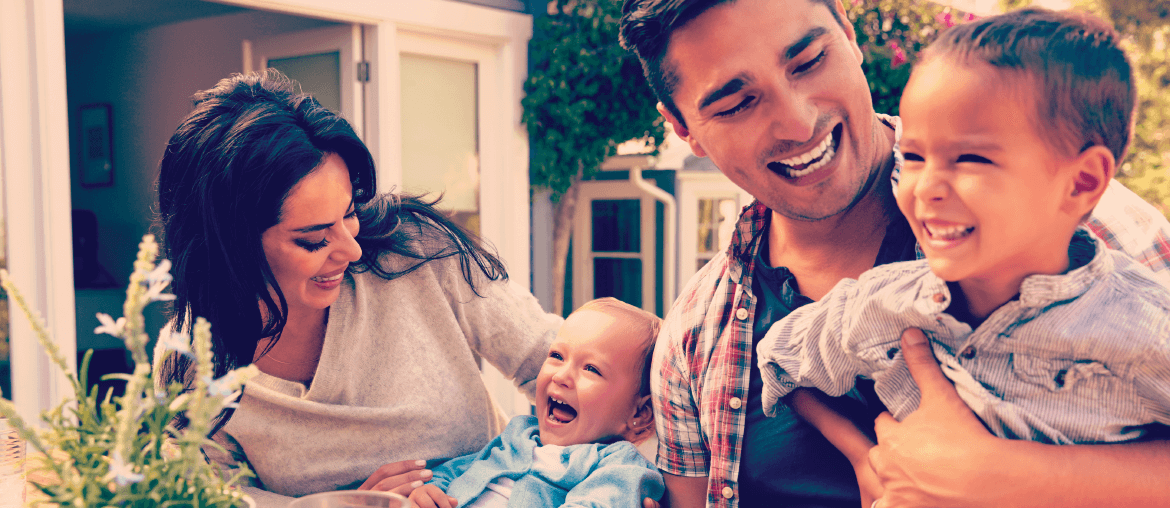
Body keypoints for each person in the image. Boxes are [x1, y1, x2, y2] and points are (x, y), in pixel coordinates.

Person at [617, 0, 1170, 507]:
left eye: (809, 61)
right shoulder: (692, 334)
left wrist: (1003, 475)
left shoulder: (1084, 222)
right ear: (682, 127)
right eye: (738, 104)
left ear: (848, 32)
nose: (799, 122)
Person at [757, 7, 1170, 447]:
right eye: (913, 157)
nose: (926, 188)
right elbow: (779, 361)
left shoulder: (1147, 330)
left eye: (971, 159)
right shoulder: (878, 305)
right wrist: (864, 456)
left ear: (1080, 184)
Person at [154, 70, 561, 508]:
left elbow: (560, 365)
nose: (349, 249)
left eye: (349, 213)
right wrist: (348, 504)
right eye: (313, 239)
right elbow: (212, 497)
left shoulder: (419, 253)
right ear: (230, 248)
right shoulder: (191, 360)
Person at [408, 298, 665, 508]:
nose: (561, 375)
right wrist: (431, 491)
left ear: (640, 414)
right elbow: (458, 471)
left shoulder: (619, 465)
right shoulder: (518, 436)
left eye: (591, 369)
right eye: (556, 355)